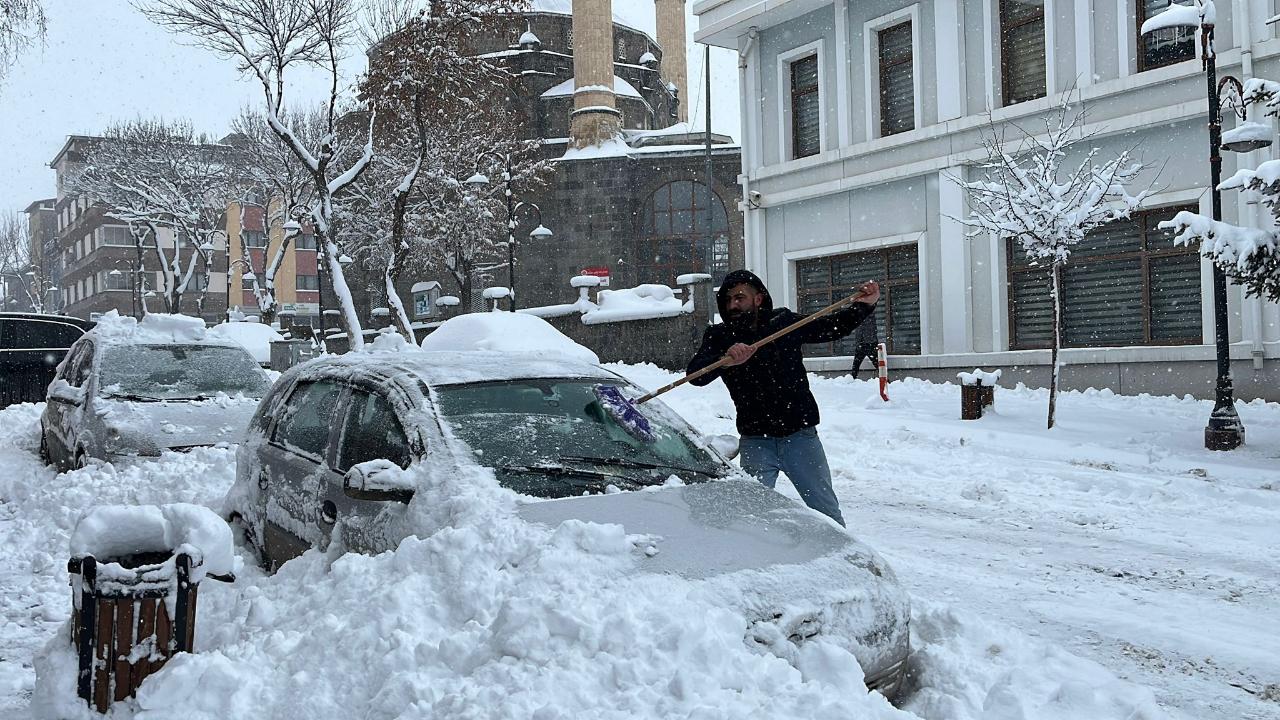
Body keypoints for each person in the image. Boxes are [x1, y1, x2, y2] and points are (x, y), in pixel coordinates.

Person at [686, 270, 879, 527]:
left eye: (740, 297)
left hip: (800, 438)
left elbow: (830, 327)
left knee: (826, 515)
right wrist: (724, 359)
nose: (733, 305)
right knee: (750, 517)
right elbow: (695, 376)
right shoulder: (719, 336)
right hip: (755, 441)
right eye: (728, 299)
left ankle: (840, 551)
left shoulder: (783, 323)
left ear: (758, 299)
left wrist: (863, 306)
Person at [850, 314, 879, 380]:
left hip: (870, 343)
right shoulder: (858, 316)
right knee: (855, 365)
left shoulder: (869, 315)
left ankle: (886, 381)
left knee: (878, 364)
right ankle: (852, 380)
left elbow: (873, 330)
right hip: (861, 343)